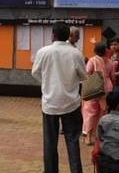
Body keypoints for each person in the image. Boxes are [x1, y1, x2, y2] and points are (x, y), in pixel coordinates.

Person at [32, 22, 88, 173]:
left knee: (50, 142)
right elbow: (83, 76)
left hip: (50, 103)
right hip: (71, 103)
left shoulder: (43, 52)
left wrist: (48, 82)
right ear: (68, 36)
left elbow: (35, 72)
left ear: (53, 35)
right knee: (72, 140)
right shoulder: (76, 53)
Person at [82, 43, 114, 146]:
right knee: (102, 112)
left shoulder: (93, 60)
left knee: (90, 112)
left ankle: (88, 136)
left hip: (94, 89)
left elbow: (87, 72)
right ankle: (99, 136)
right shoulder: (110, 62)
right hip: (106, 89)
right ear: (105, 51)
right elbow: (113, 77)